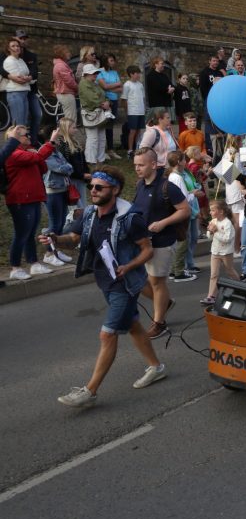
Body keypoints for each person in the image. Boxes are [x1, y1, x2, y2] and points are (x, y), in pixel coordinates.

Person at [41, 166, 166, 408]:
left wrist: (129, 266)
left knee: (107, 334)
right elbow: (74, 240)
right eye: (92, 187)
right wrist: (55, 240)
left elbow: (147, 250)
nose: (94, 191)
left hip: (125, 284)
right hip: (105, 280)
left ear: (115, 189)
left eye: (99, 187)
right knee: (132, 325)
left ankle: (90, 390)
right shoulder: (89, 213)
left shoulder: (130, 217)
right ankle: (156, 367)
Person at [132, 147, 190, 339]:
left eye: (141, 165)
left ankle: (160, 323)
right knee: (138, 280)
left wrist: (163, 223)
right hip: (143, 242)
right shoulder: (140, 185)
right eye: (135, 165)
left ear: (153, 164)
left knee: (157, 282)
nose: (137, 169)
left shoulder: (168, 186)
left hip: (163, 241)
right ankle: (164, 303)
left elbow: (185, 210)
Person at [4, 125, 57, 280]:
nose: (28, 136)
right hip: (20, 200)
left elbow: (42, 167)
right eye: (24, 135)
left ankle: (33, 263)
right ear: (14, 139)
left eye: (28, 134)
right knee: (21, 234)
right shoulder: (14, 154)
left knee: (30, 233)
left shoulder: (27, 152)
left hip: (33, 197)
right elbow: (37, 158)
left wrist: (37, 154)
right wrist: (51, 142)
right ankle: (15, 267)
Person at [41, 126, 74, 267]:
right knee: (55, 224)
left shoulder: (56, 151)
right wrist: (67, 168)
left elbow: (69, 167)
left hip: (62, 190)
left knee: (61, 223)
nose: (61, 140)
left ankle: (55, 249)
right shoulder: (46, 152)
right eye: (58, 137)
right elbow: (61, 168)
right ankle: (48, 253)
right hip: (52, 192)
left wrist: (67, 168)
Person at [165, 151, 200, 282]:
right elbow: (184, 198)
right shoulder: (177, 177)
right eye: (184, 160)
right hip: (182, 212)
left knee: (182, 241)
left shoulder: (176, 175)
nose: (186, 162)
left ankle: (174, 270)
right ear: (179, 161)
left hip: (179, 212)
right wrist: (194, 194)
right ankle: (179, 271)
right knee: (182, 242)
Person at [200, 200, 238, 306]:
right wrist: (210, 231)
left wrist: (215, 231)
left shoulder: (227, 223)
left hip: (226, 252)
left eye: (213, 210)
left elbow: (227, 239)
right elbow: (209, 236)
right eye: (210, 210)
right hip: (215, 252)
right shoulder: (214, 221)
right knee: (214, 274)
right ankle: (211, 296)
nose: (210, 212)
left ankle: (240, 286)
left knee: (230, 271)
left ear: (221, 211)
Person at [78, 63, 111, 166]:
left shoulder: (95, 83)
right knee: (93, 138)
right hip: (90, 114)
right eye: (94, 73)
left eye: (96, 72)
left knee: (101, 137)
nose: (96, 74)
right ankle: (91, 160)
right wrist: (103, 103)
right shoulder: (83, 84)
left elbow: (103, 95)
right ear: (87, 74)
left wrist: (107, 102)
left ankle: (100, 159)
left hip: (99, 113)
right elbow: (91, 99)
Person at [1, 38, 32, 136]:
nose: (16, 48)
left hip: (24, 92)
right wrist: (27, 78)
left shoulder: (21, 60)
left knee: (24, 122)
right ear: (9, 49)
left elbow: (28, 74)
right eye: (13, 46)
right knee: (18, 124)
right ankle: (17, 147)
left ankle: (23, 146)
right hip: (15, 93)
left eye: (17, 46)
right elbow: (19, 79)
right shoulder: (9, 60)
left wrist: (27, 77)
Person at [96, 54, 123, 159]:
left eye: (113, 60)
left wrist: (108, 88)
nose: (113, 62)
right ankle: (102, 150)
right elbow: (103, 87)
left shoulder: (114, 72)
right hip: (105, 101)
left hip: (114, 100)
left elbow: (120, 88)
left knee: (111, 125)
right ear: (106, 61)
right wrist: (112, 86)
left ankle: (111, 149)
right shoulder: (99, 72)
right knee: (104, 125)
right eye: (111, 60)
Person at [121, 65, 146, 158]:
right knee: (132, 131)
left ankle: (137, 148)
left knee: (139, 131)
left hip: (140, 111)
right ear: (131, 74)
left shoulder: (140, 85)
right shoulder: (127, 85)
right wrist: (127, 111)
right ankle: (130, 150)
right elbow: (124, 99)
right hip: (132, 112)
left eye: (139, 73)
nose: (139, 75)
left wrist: (144, 109)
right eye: (137, 73)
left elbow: (143, 98)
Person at [52, 44, 79, 123]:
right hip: (66, 93)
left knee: (69, 117)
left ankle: (67, 134)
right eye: (67, 52)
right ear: (61, 53)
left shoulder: (60, 64)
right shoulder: (61, 66)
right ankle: (68, 135)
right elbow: (69, 81)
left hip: (65, 93)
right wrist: (78, 88)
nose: (69, 54)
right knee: (71, 118)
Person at [144, 56, 174, 124]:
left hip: (166, 103)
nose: (163, 65)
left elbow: (171, 84)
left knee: (166, 124)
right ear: (156, 64)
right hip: (157, 104)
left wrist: (172, 89)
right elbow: (157, 87)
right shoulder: (151, 75)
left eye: (163, 63)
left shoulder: (164, 75)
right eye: (161, 63)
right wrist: (168, 90)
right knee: (159, 124)